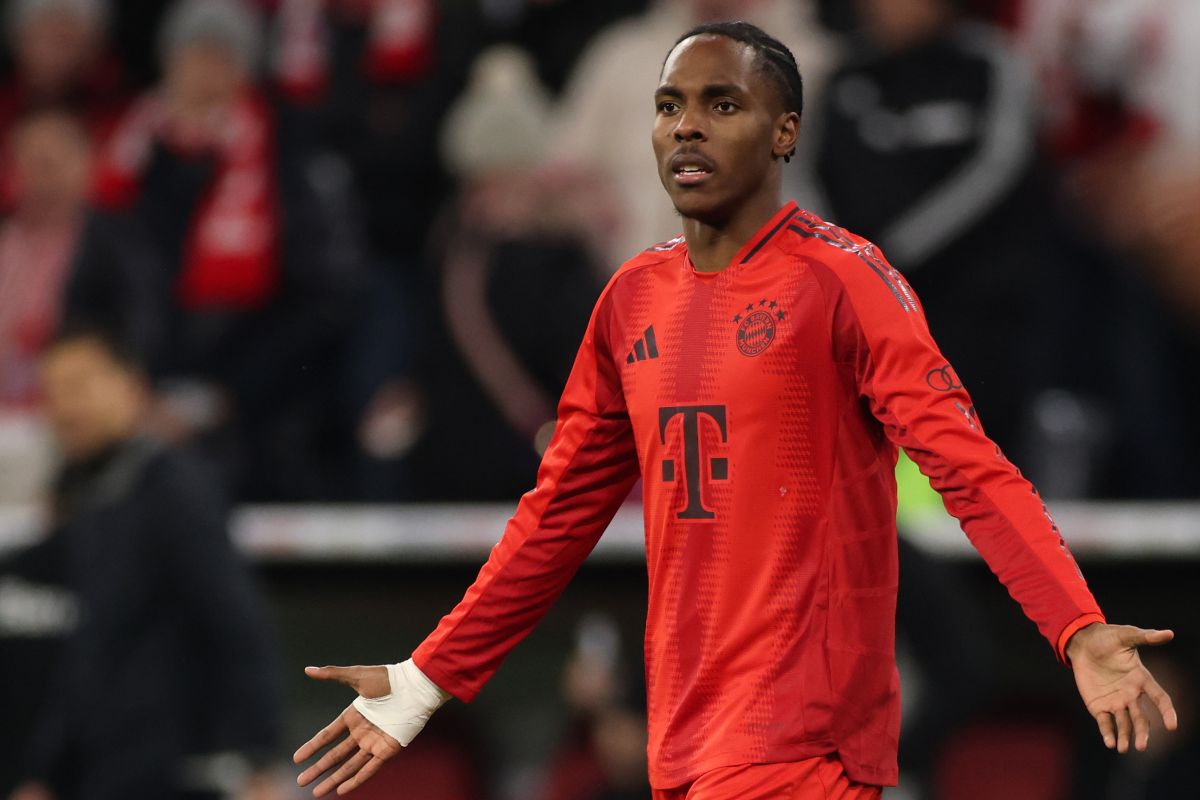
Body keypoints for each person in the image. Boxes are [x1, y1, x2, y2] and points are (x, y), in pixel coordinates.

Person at [293, 22, 1178, 800]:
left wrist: (1077, 625)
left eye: (723, 104)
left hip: (805, 743)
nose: (687, 124)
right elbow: (554, 519)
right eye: (670, 103)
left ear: (785, 130)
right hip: (683, 739)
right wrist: (426, 679)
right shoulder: (630, 299)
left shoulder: (846, 283)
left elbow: (968, 466)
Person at [9, 328, 283, 800]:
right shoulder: (92, 496)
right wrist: (46, 773)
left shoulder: (174, 490)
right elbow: (87, 657)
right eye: (51, 392)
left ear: (131, 386)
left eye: (79, 385)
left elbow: (237, 625)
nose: (65, 408)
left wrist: (259, 756)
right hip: (105, 772)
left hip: (172, 774)